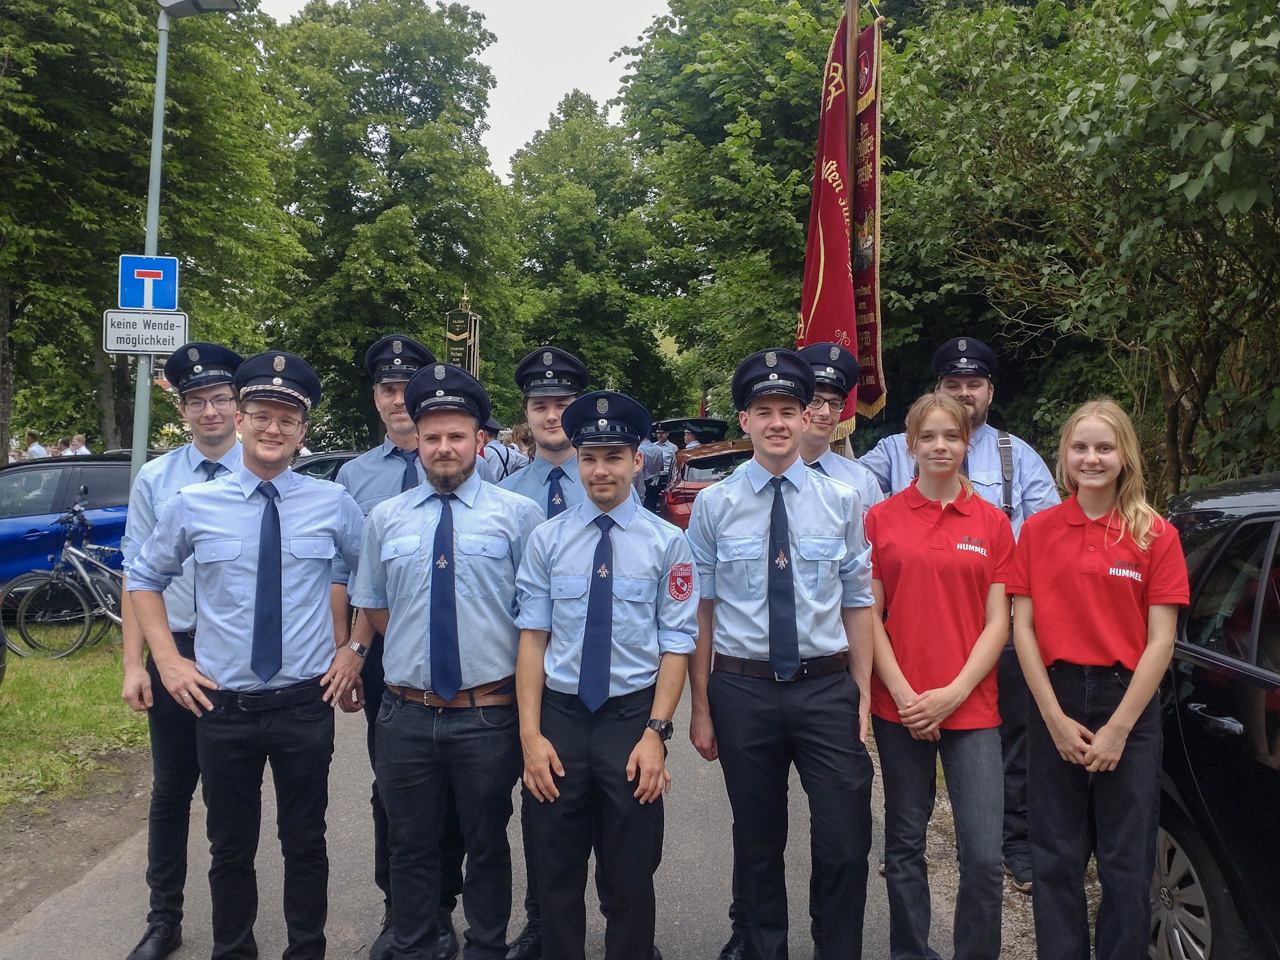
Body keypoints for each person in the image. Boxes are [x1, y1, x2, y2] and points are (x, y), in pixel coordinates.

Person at [127, 351, 365, 960]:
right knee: (229, 846)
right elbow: (143, 578)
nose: (273, 428)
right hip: (223, 705)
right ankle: (234, 950)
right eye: (261, 414)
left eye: (288, 419)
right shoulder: (192, 502)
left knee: (305, 841)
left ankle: (305, 949)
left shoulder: (331, 503)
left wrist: (354, 649)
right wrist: (168, 661)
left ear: (302, 430)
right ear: (242, 420)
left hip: (303, 704)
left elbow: (377, 579)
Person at [686, 348, 875, 960]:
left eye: (788, 411)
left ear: (805, 418)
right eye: (763, 411)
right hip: (744, 690)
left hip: (825, 687)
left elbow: (857, 602)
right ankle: (765, 948)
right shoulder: (714, 505)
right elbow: (702, 610)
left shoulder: (841, 503)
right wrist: (702, 707)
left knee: (845, 841)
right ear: (744, 420)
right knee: (758, 841)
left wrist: (864, 692)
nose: (776, 423)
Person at [351, 362, 543, 960]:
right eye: (432, 436)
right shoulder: (386, 520)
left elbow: (536, 618)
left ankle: (485, 945)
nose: (443, 447)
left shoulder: (518, 518)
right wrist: (419, 654)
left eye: (456, 435)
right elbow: (377, 606)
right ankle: (415, 942)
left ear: (479, 442)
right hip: (405, 713)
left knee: (487, 842)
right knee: (409, 842)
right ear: (419, 443)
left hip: (486, 712)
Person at [860, 336, 1059, 892]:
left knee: (1011, 755)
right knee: (905, 837)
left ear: (989, 393)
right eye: (953, 384)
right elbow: (839, 476)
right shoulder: (888, 478)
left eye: (973, 385)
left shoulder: (1017, 458)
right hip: (910, 654)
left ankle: (1015, 843)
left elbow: (1043, 537)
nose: (964, 393)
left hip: (997, 626)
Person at [516, 390, 695, 960]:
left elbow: (676, 646)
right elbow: (533, 640)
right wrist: (530, 737)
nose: (600, 469)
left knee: (631, 871)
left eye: (614, 456)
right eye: (590, 456)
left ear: (637, 460)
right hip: (561, 719)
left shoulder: (668, 544)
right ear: (577, 460)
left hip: (629, 719)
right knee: (555, 869)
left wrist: (656, 735)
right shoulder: (547, 540)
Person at [1008, 399, 1189, 960]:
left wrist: (1118, 730)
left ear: (1125, 456)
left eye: (1104, 448)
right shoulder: (1037, 531)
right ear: (1065, 457)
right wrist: (1054, 719)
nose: (1092, 458)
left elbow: (1161, 641)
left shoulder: (1154, 534)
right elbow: (1023, 629)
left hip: (1125, 703)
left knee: (1126, 861)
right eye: (1080, 447)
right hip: (1054, 697)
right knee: (1056, 857)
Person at [331, 334, 466, 960]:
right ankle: (401, 908)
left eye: (406, 391)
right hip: (389, 654)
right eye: (386, 389)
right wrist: (350, 652)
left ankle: (443, 905)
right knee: (395, 787)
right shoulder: (353, 477)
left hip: (468, 657)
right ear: (376, 397)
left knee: (464, 787)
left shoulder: (480, 465)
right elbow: (348, 577)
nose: (397, 401)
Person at [867, 393, 1014, 960]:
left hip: (971, 705)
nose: (940, 447)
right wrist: (905, 694)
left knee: (982, 854)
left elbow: (998, 622)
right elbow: (868, 616)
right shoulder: (880, 519)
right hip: (898, 705)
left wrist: (951, 694)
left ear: (966, 444)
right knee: (904, 843)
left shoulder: (993, 523)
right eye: (928, 437)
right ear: (911, 445)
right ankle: (912, 951)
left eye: (950, 437)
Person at [119, 342, 244, 960]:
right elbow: (137, 574)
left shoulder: (265, 469)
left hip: (240, 655)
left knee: (228, 795)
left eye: (221, 398)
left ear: (239, 404)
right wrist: (134, 665)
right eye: (197, 401)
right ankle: (162, 918)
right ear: (183, 409)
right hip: (175, 645)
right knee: (172, 789)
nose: (211, 411)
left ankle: (231, 929)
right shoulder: (156, 478)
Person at [498, 345, 592, 960]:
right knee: (543, 802)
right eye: (541, 405)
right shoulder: (505, 494)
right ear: (526, 414)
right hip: (530, 671)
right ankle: (541, 919)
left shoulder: (608, 481)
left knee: (614, 807)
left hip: (599, 671)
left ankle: (625, 920)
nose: (552, 414)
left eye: (562, 403)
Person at [797, 343, 883, 517]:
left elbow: (880, 540)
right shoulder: (773, 475)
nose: (825, 413)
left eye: (834, 404)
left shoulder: (863, 481)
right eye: (815, 401)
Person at [482, 415, 530, 481]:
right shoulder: (510, 451)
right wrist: (510, 478)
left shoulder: (485, 452)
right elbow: (526, 462)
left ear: (485, 433)